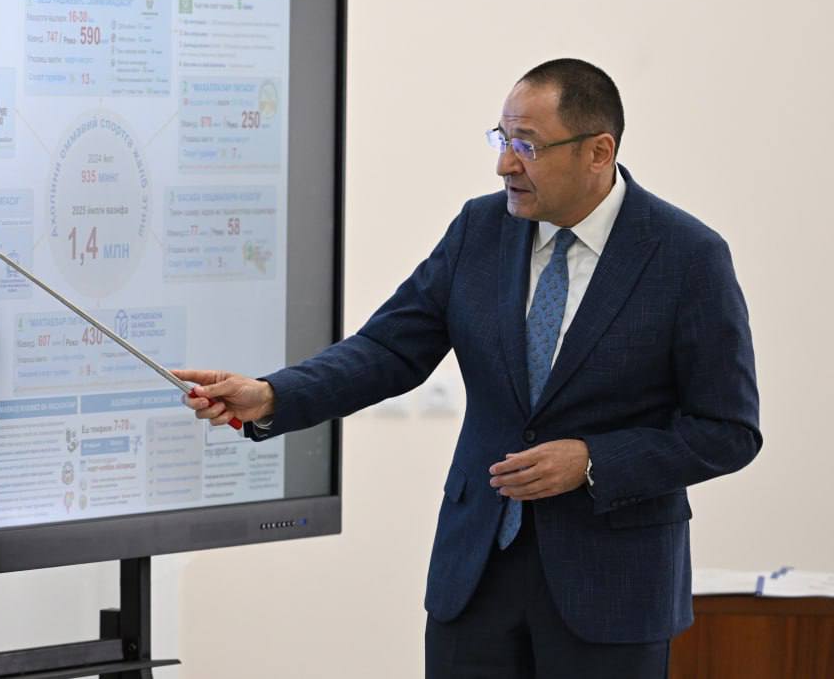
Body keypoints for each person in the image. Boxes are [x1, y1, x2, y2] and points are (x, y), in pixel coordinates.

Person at [179, 58, 761, 679]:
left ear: (599, 151)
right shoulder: (479, 230)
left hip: (611, 591)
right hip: (476, 575)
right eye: (501, 139)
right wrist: (273, 394)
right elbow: (387, 349)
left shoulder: (687, 257)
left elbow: (727, 430)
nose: (505, 164)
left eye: (527, 145)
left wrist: (593, 460)